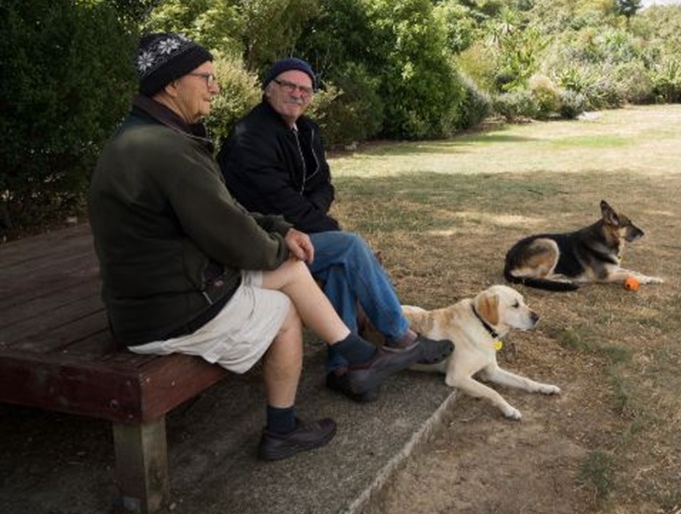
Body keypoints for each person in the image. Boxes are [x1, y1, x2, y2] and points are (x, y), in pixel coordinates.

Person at [87, 32, 448, 461]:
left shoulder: (156, 137)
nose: (215, 87)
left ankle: (355, 358)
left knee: (298, 268)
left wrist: (281, 230)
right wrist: (284, 240)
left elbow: (255, 203)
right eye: (206, 77)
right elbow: (232, 233)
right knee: (287, 305)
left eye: (305, 89)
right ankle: (287, 423)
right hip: (165, 309)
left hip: (172, 283)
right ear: (170, 84)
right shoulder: (171, 148)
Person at [218, 57, 450, 403]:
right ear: (269, 89)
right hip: (260, 242)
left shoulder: (308, 130)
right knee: (350, 248)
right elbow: (276, 200)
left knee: (342, 260)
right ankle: (401, 338)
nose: (297, 94)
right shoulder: (250, 136)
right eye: (288, 85)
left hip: (300, 234)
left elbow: (324, 185)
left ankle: (343, 370)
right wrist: (329, 229)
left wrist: (318, 218)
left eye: (305, 89)